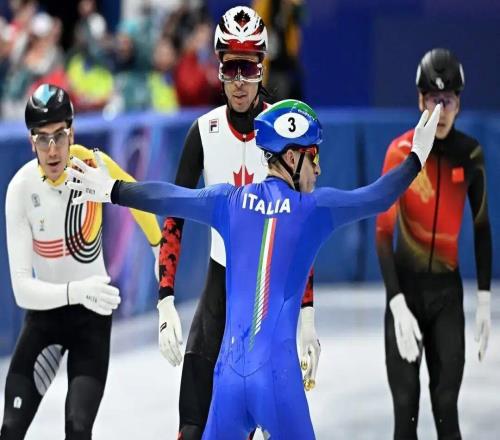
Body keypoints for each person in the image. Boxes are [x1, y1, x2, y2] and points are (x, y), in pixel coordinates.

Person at [67, 98, 441, 440]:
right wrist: (416, 158)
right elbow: (378, 196)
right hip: (277, 381)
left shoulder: (228, 201)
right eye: (313, 156)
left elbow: (169, 197)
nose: (318, 168)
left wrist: (114, 190)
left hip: (228, 382)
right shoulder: (315, 209)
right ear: (291, 157)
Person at [155, 6, 319, 439]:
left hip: (269, 306)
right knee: (191, 428)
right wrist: (165, 299)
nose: (240, 81)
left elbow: (303, 230)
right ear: (218, 67)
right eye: (231, 68)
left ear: (263, 66)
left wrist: (307, 315)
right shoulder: (203, 131)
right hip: (219, 292)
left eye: (249, 68)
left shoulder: (288, 130)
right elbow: (173, 220)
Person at [1, 84, 161, 440]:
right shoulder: (21, 188)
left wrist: (159, 248)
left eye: (59, 136)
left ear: (71, 133)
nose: (53, 149)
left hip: (91, 320)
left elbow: (135, 195)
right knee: (10, 429)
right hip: (45, 317)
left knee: (78, 429)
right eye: (42, 139)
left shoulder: (92, 165)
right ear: (30, 142)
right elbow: (22, 290)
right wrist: (77, 291)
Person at [375, 48, 492, 440]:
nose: (440, 111)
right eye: (432, 100)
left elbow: (481, 227)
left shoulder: (470, 154)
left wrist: (485, 300)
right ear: (419, 100)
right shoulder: (399, 153)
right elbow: (382, 233)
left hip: (447, 299)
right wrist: (396, 302)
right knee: (405, 411)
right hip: (405, 294)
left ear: (460, 103)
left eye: (449, 101)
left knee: (445, 407)